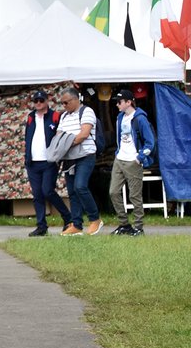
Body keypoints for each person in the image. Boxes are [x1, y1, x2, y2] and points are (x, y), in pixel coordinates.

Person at [23, 90, 72, 237]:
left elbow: (60, 136)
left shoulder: (55, 116)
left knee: (48, 191)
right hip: (33, 161)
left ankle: (67, 217)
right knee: (37, 194)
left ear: (47, 101)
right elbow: (28, 137)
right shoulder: (30, 117)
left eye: (41, 100)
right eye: (36, 101)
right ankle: (41, 225)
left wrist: (57, 155)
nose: (38, 103)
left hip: (49, 161)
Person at [109, 88, 155, 236]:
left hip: (133, 161)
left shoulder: (140, 118)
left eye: (119, 102)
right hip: (120, 158)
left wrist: (139, 157)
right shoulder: (120, 118)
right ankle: (124, 224)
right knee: (113, 192)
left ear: (129, 102)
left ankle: (138, 227)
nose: (117, 104)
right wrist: (118, 152)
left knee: (134, 196)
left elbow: (150, 142)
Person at [56, 87, 102, 236]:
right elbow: (59, 136)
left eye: (66, 102)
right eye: (62, 103)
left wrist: (67, 143)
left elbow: (84, 134)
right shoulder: (64, 117)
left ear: (76, 100)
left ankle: (95, 219)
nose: (64, 106)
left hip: (85, 155)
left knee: (80, 186)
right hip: (69, 158)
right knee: (72, 192)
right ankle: (76, 224)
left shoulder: (86, 112)